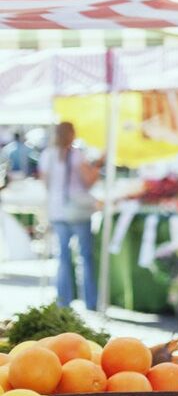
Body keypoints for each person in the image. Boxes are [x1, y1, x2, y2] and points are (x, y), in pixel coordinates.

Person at [40, 122, 101, 310]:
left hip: (57, 211)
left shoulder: (47, 155)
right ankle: (90, 301)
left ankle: (63, 301)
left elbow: (46, 183)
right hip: (77, 211)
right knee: (85, 257)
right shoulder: (76, 155)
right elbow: (88, 181)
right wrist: (98, 167)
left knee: (63, 257)